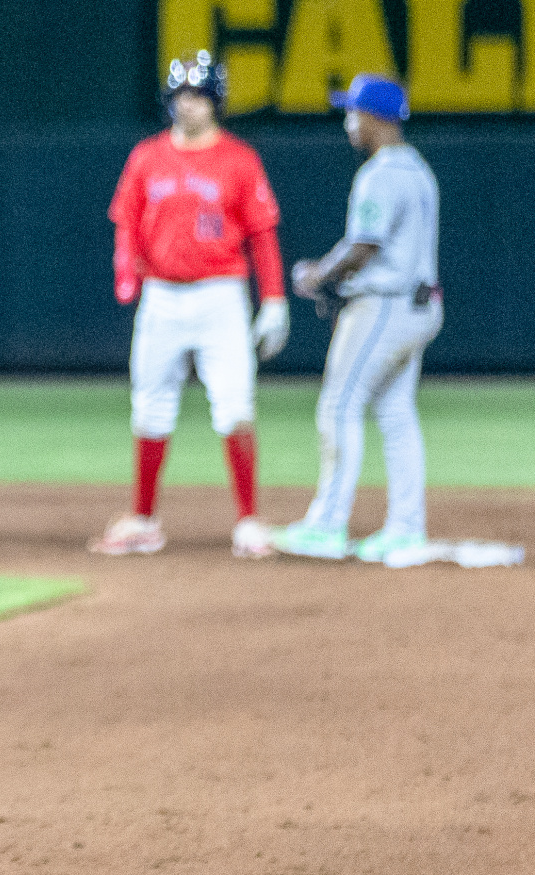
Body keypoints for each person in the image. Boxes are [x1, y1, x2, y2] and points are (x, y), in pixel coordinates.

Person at [93, 50, 289, 559]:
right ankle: (143, 518)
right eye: (182, 95)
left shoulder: (239, 160)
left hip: (220, 294)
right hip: (161, 295)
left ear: (216, 102)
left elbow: (262, 235)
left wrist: (273, 299)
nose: (189, 105)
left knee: (235, 406)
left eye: (199, 95)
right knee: (149, 407)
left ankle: (248, 520)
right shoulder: (146, 156)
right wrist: (124, 270)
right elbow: (126, 221)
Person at [272, 74, 442, 563]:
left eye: (354, 111)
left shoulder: (382, 173)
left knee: (338, 407)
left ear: (376, 118)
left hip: (385, 304)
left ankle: (327, 524)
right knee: (395, 414)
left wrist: (316, 274)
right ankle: (406, 528)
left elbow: (365, 246)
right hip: (420, 305)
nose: (348, 121)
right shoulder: (418, 170)